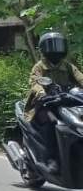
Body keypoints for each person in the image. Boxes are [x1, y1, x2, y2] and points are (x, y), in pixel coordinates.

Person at [23, 31, 83, 174]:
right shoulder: (39, 66)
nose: (56, 49)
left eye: (59, 45)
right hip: (44, 104)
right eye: (51, 46)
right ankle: (51, 159)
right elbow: (35, 82)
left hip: (64, 102)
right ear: (44, 49)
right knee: (52, 123)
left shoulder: (68, 66)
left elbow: (80, 78)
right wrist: (42, 93)